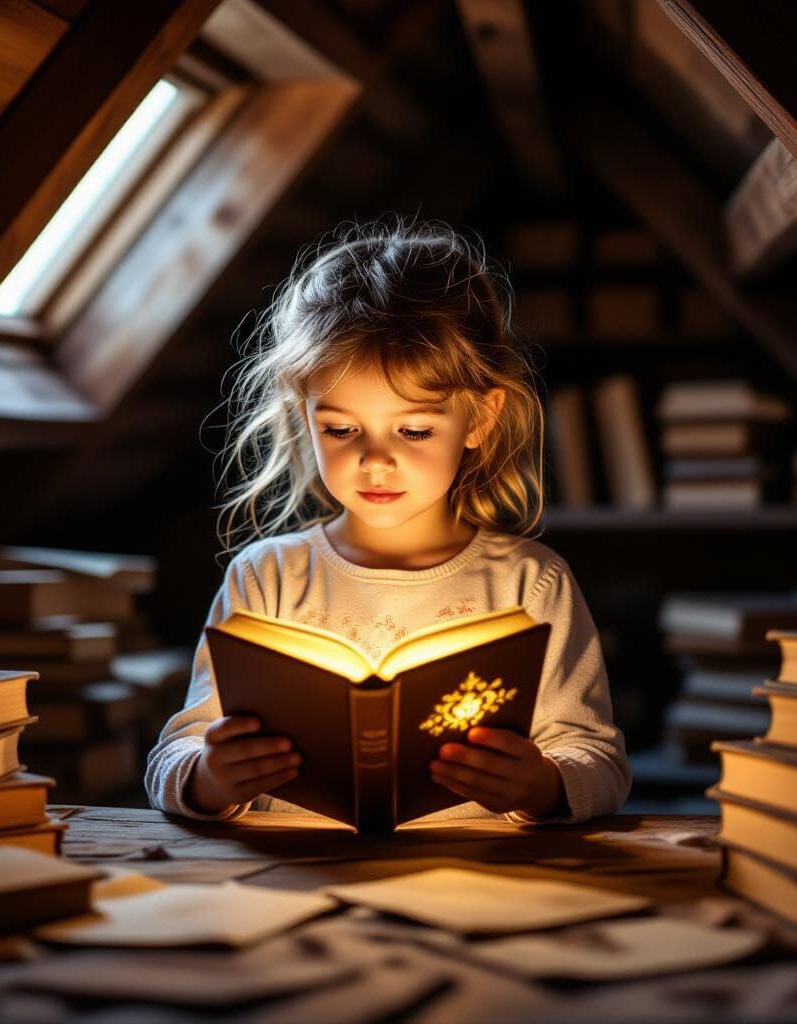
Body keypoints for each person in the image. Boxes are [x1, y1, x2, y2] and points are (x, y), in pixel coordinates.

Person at [145, 217, 630, 824]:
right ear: (304, 418)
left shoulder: (532, 583)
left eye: (414, 430)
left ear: (479, 419)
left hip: (476, 892)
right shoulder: (266, 576)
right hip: (291, 887)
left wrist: (543, 785)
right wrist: (210, 779)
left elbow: (600, 759)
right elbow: (176, 752)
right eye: (342, 430)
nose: (375, 459)